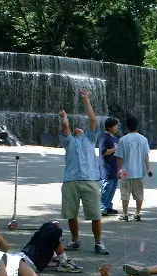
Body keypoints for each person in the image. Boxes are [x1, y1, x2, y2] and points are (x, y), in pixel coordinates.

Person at [59, 88, 109, 255]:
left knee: (96, 214)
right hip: (71, 180)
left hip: (90, 180)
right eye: (76, 129)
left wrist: (85, 98)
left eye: (81, 128)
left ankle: (98, 242)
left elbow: (93, 120)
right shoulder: (68, 141)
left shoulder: (90, 138)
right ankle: (75, 240)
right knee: (71, 214)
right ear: (74, 133)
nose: (78, 128)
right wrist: (64, 117)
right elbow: (65, 126)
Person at [0, 207, 82, 273]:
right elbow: (5, 247)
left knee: (48, 227)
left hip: (23, 255)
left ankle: (55, 257)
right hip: (30, 264)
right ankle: (63, 262)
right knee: (52, 232)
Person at [115, 115, 153, 221]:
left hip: (125, 172)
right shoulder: (143, 139)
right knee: (139, 193)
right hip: (139, 171)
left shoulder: (123, 140)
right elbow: (146, 155)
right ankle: (137, 213)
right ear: (137, 126)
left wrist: (118, 171)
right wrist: (148, 169)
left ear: (127, 127)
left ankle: (125, 214)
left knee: (125, 193)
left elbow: (120, 158)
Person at [98, 117, 120, 216]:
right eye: (115, 125)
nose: (117, 127)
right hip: (106, 168)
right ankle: (102, 208)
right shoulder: (104, 137)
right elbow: (103, 152)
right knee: (106, 188)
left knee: (112, 188)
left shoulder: (115, 138)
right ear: (110, 127)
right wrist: (114, 149)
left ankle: (108, 206)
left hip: (114, 168)